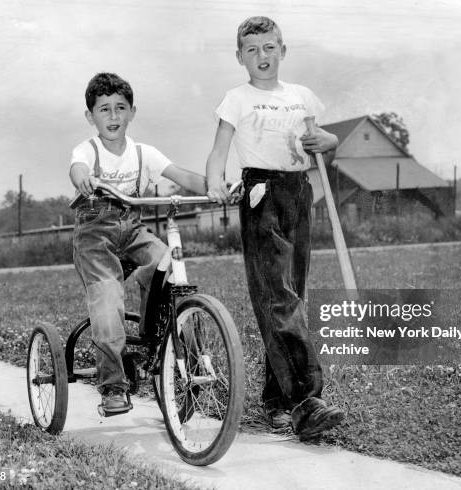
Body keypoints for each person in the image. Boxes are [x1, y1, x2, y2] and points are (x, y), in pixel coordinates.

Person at [206, 16, 344, 440]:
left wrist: (331, 143)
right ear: (239, 57)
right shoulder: (237, 99)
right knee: (278, 298)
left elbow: (323, 144)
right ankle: (305, 401)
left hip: (300, 194)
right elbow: (219, 151)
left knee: (290, 300)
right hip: (261, 194)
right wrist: (214, 180)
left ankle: (276, 399)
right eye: (252, 50)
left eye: (269, 48)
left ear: (283, 51)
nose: (262, 57)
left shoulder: (302, 96)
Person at [70, 72, 206, 414]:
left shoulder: (144, 153)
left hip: (132, 229)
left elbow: (184, 176)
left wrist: (216, 185)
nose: (113, 116)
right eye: (104, 110)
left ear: (132, 112)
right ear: (91, 117)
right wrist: (83, 178)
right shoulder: (88, 150)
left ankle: (156, 337)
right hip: (94, 234)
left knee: (165, 265)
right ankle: (113, 385)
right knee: (107, 299)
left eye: (120, 108)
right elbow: (77, 167)